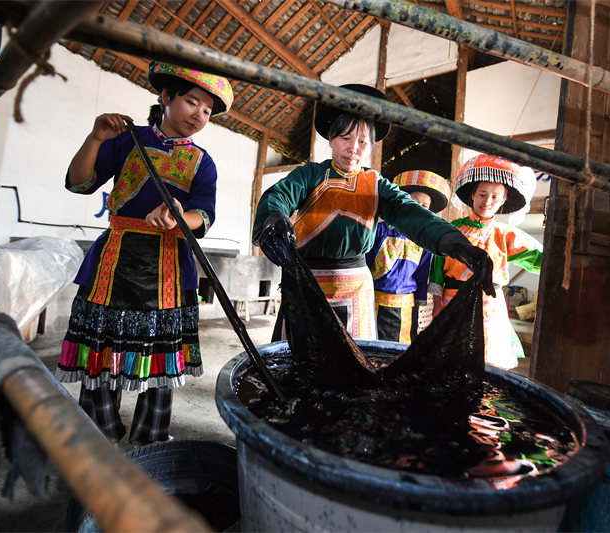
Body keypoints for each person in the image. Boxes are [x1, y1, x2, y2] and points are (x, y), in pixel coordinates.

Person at [55, 61, 233, 446]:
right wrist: (94, 138)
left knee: (161, 356)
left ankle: (150, 440)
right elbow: (78, 183)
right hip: (114, 262)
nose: (199, 114)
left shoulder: (203, 162)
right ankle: (98, 435)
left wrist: (179, 217)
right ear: (166, 98)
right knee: (102, 351)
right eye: (191, 102)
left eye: (207, 110)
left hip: (168, 267)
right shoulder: (126, 140)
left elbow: (205, 215)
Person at [252, 84, 493, 341]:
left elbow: (411, 213)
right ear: (331, 139)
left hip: (355, 288)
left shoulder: (376, 185)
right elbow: (279, 195)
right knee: (299, 358)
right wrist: (274, 216)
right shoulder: (310, 174)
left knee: (353, 362)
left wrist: (457, 244)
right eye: (345, 138)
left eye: (363, 141)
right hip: (306, 281)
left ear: (371, 146)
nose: (353, 148)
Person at [429, 154, 543, 370]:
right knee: (449, 363)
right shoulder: (451, 230)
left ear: (503, 202)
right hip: (451, 301)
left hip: (489, 308)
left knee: (486, 364)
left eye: (494, 197)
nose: (487, 202)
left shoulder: (506, 235)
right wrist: (436, 306)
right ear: (472, 195)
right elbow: (436, 272)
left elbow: (541, 258)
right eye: (482, 194)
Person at [365, 169, 451, 343]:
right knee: (371, 343)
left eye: (424, 206)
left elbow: (422, 272)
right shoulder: (379, 231)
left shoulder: (424, 240)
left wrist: (420, 299)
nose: (418, 209)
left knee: (401, 347)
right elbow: (365, 263)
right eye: (414, 202)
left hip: (406, 304)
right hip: (374, 301)